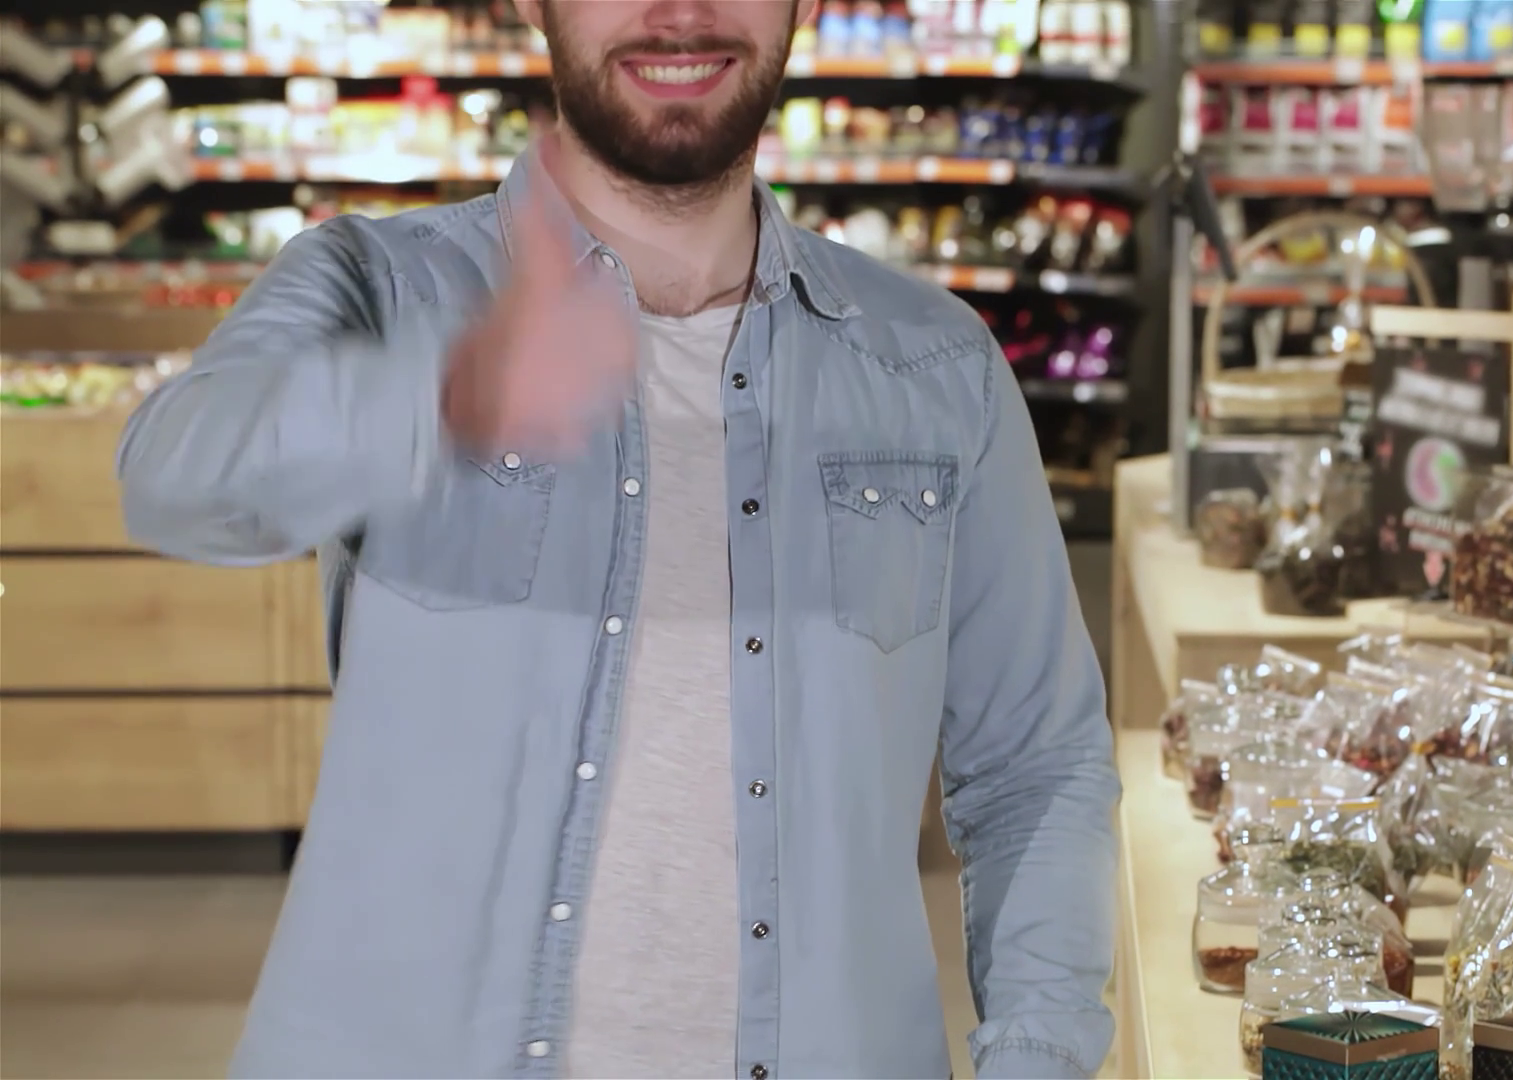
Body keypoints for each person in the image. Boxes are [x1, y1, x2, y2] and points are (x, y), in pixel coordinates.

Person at [115, 2, 1120, 1077]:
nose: (679, 13)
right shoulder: (380, 286)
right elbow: (175, 478)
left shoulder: (935, 367)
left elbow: (1036, 765)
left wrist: (1039, 1055)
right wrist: (445, 394)